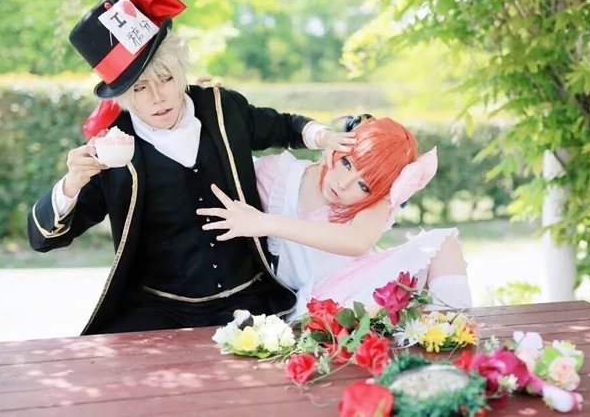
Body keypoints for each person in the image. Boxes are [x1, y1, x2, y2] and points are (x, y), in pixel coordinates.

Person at [27, 0, 351, 335]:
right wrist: (71, 184)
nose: (157, 97)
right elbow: (44, 239)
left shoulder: (221, 108)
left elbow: (285, 127)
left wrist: (325, 137)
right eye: (140, 88)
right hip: (158, 309)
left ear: (180, 71)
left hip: (248, 297)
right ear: (122, 96)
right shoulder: (110, 146)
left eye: (166, 79)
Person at [197, 115, 473, 320]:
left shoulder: (376, 201)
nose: (344, 183)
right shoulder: (278, 175)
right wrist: (207, 110)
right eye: (346, 163)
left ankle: (453, 335)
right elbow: (216, 165)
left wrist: (266, 223)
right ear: (337, 147)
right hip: (308, 304)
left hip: (356, 289)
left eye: (362, 185)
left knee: (444, 244)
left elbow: (356, 242)